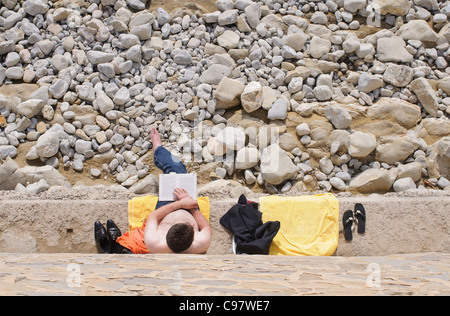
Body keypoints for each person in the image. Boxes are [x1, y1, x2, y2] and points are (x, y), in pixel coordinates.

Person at [94, 128, 212, 254]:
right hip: (190, 207)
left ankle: (158, 149)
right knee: (179, 171)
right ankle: (159, 151)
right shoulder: (201, 243)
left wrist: (180, 204)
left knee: (176, 169)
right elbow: (205, 227)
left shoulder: (154, 243)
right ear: (193, 229)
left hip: (168, 207)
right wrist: (190, 205)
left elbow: (154, 217)